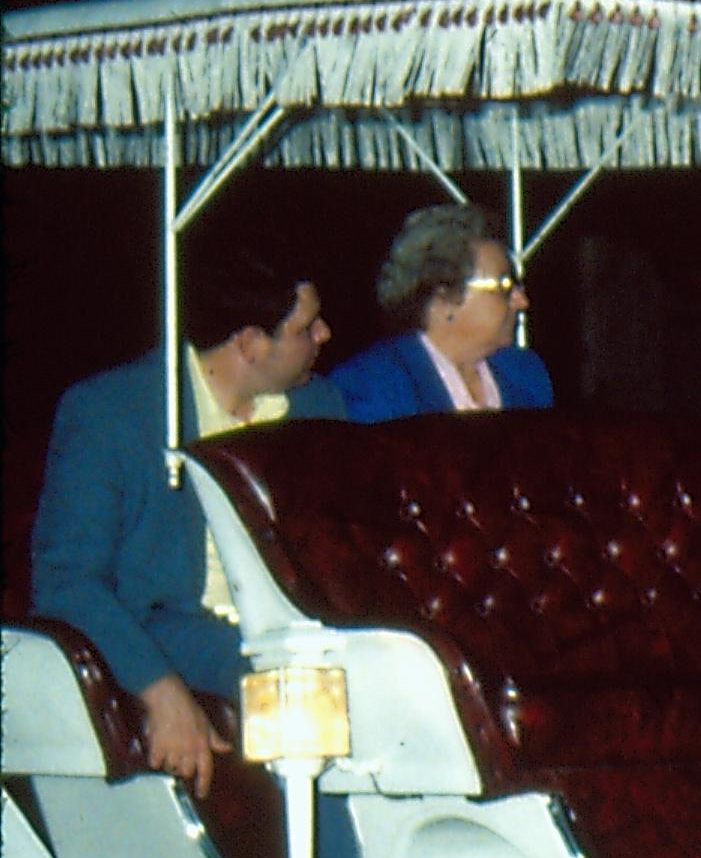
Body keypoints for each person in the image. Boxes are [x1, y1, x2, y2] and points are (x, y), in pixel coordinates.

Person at [30, 249, 345, 800]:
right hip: (174, 624)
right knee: (303, 694)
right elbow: (65, 580)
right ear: (248, 343)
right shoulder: (113, 412)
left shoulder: (320, 407)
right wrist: (160, 688)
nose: (325, 333)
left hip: (297, 627)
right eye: (306, 326)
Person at [327, 203, 553, 419]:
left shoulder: (525, 374)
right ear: (444, 296)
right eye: (503, 285)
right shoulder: (373, 384)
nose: (522, 301)